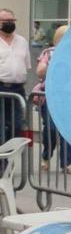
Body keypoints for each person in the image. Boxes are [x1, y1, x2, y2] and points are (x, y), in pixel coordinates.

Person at [33, 24, 71, 173]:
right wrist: (54, 61)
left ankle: (67, 164)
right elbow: (40, 72)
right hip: (50, 97)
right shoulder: (49, 53)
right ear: (58, 39)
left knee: (68, 131)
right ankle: (46, 156)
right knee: (50, 129)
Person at [0, 7, 28, 145]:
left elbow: (26, 65)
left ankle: (8, 161)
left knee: (16, 126)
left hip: (18, 90)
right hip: (1, 88)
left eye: (12, 20)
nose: (10, 23)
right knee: (1, 129)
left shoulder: (22, 41)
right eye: (6, 21)